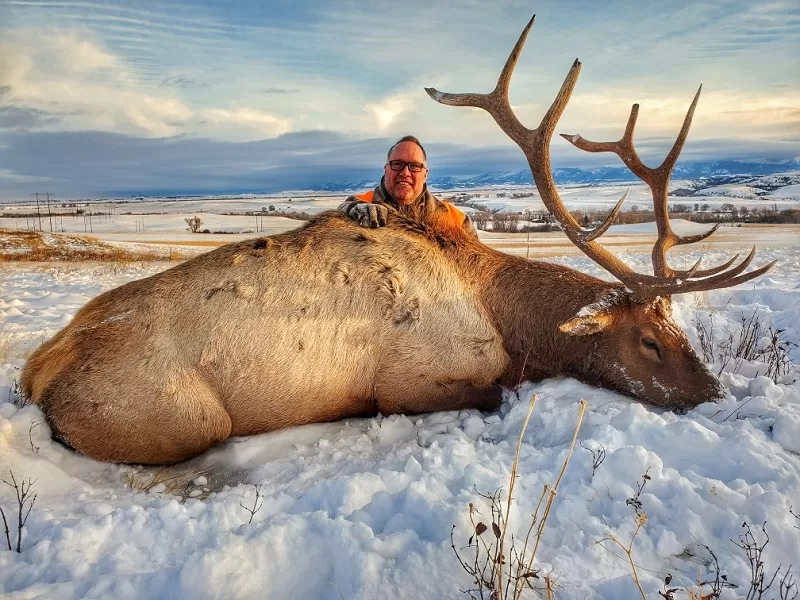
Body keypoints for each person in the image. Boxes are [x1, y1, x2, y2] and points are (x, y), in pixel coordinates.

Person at [338, 135, 473, 236]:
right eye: (397, 164)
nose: (405, 172)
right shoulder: (358, 207)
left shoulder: (457, 222)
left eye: (414, 166)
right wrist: (347, 210)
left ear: (425, 174)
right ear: (386, 169)